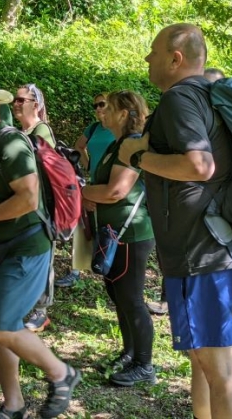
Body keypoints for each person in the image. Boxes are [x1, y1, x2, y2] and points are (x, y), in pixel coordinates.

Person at [119, 23, 232, 419]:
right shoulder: (206, 98)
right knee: (204, 361)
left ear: (176, 58)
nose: (147, 58)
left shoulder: (181, 98)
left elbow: (199, 164)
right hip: (211, 250)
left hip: (207, 254)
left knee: (220, 369)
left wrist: (138, 159)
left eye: (154, 51)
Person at [0, 73, 81, 419]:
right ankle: (14, 405)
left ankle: (62, 373)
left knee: (2, 324)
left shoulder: (10, 143)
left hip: (25, 246)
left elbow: (27, 198)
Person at [82, 90, 156, 386]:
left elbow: (116, 191)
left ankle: (145, 365)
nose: (103, 113)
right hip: (114, 232)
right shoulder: (118, 144)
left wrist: (80, 193)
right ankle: (130, 353)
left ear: (124, 113)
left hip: (131, 233)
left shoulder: (130, 145)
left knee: (131, 298)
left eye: (109, 108)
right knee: (118, 295)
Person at [12, 83, 56, 333]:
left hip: (42, 208)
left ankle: (41, 312)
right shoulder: (23, 131)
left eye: (22, 100)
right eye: (15, 100)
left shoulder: (42, 132)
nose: (17, 104)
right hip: (27, 206)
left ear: (36, 105)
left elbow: (47, 173)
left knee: (44, 257)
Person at [60, 93, 116, 288]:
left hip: (113, 183)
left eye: (102, 104)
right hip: (94, 182)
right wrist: (89, 164)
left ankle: (109, 267)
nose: (98, 108)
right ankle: (77, 270)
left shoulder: (117, 130)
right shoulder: (93, 128)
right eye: (95, 106)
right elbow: (79, 145)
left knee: (110, 226)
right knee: (86, 226)